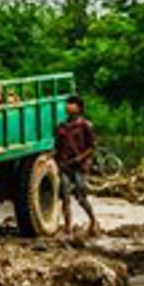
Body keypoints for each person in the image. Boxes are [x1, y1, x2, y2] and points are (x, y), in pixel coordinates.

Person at [55, 95, 101, 237]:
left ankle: (93, 220)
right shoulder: (61, 126)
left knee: (81, 197)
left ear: (79, 108)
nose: (68, 106)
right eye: (68, 104)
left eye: (72, 104)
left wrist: (80, 158)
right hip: (65, 165)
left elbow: (92, 146)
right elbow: (57, 146)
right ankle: (68, 227)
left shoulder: (85, 125)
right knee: (65, 197)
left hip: (79, 166)